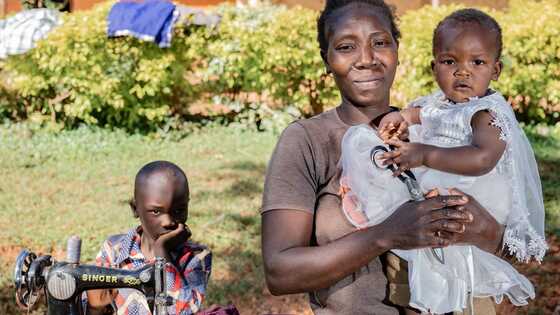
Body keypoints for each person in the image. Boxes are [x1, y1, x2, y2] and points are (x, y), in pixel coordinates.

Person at [261, 1, 508, 314]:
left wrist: (488, 232)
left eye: (379, 43)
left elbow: (516, 247)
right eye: (346, 46)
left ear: (396, 51)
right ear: (327, 60)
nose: (366, 59)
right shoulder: (308, 140)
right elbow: (279, 272)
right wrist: (385, 235)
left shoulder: (436, 132)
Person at [340, 8, 547, 314]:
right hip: (435, 200)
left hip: (473, 198)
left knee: (462, 280)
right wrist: (400, 118)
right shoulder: (438, 104)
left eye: (477, 62)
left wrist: (424, 153)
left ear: (496, 69)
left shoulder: (487, 113)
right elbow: (418, 114)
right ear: (434, 66)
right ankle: (374, 210)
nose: (463, 72)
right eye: (450, 62)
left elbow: (482, 159)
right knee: (420, 275)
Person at [85, 160, 212, 315]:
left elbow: (183, 311)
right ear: (135, 208)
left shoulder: (196, 258)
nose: (169, 221)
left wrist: (161, 252)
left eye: (179, 210)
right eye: (156, 212)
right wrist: (94, 308)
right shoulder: (114, 251)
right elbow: (96, 306)